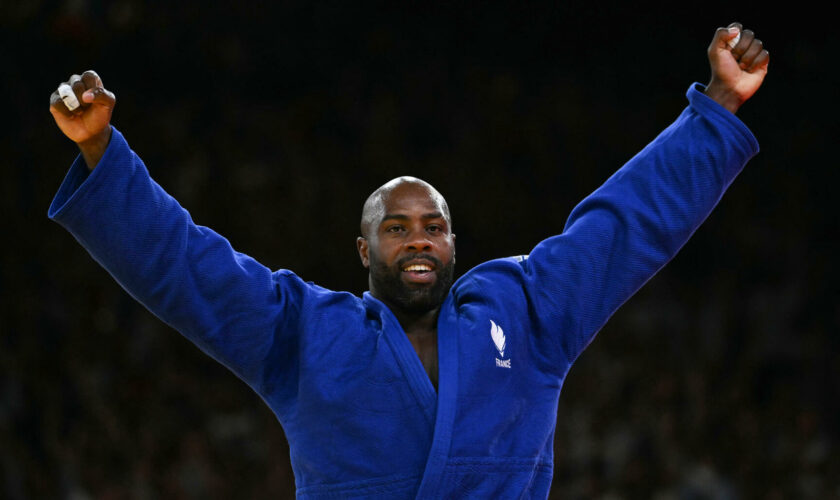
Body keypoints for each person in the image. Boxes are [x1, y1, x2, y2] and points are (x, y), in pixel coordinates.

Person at [48, 23, 768, 499]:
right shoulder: (303, 333)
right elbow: (186, 267)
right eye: (397, 228)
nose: (419, 238)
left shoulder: (524, 312)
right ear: (365, 251)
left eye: (434, 227)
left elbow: (620, 226)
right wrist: (101, 154)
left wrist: (716, 107)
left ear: (454, 245)